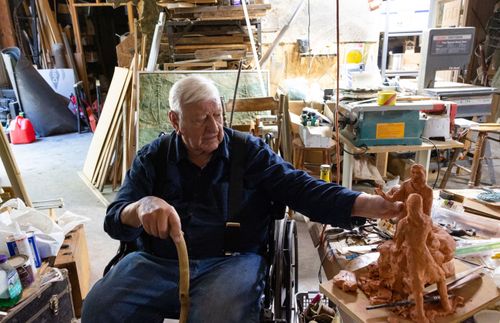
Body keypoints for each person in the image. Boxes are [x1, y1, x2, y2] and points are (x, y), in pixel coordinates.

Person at [82, 75, 403, 323]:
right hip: (159, 263)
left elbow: (300, 188)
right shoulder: (154, 157)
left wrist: (369, 204)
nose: (213, 128)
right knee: (100, 308)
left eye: (217, 115)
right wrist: (140, 207)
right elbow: (114, 217)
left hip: (230, 261)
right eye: (200, 119)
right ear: (175, 120)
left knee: (216, 315)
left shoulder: (247, 153)